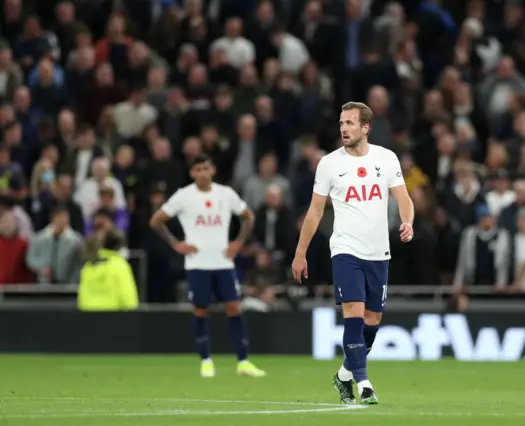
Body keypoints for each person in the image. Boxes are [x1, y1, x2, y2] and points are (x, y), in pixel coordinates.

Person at [291, 102, 415, 405]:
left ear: (365, 127)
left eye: (350, 123)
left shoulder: (386, 159)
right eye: (341, 122)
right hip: (345, 249)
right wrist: (300, 252)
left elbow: (404, 197)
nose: (344, 128)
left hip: (378, 252)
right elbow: (315, 212)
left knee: (372, 320)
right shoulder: (329, 164)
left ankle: (344, 375)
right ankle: (364, 384)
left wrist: (408, 221)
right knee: (354, 314)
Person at [149, 153, 265, 379]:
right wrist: (176, 244)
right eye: (198, 169)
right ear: (192, 173)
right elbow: (156, 220)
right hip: (197, 264)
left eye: (206, 168)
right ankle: (206, 361)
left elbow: (248, 216)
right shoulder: (183, 196)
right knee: (200, 309)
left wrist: (238, 243)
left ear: (212, 170)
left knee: (234, 307)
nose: (202, 173)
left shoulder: (225, 194)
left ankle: (243, 361)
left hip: (223, 262)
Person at [77, 228, 139, 311]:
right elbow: (128, 296)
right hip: (113, 318)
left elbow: (82, 296)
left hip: (89, 317)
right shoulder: (120, 265)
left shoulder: (88, 266)